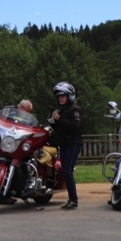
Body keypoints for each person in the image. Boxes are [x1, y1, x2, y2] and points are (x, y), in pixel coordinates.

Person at [48, 81, 82, 210]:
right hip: (64, 144)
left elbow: (75, 127)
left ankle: (73, 200)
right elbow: (59, 128)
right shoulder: (61, 110)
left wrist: (59, 119)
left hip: (73, 143)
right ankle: (72, 199)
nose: (61, 98)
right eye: (59, 96)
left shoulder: (75, 109)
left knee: (67, 171)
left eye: (63, 96)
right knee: (64, 170)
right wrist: (52, 121)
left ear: (69, 96)